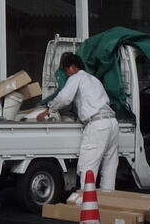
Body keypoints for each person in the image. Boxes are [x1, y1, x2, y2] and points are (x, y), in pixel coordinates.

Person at [36, 54, 119, 196]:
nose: (66, 74)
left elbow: (64, 98)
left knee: (88, 167)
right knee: (109, 168)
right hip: (112, 122)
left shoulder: (76, 77)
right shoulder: (94, 80)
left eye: (66, 70)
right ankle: (106, 201)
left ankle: (86, 204)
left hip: (97, 124)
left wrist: (49, 110)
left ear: (73, 67)